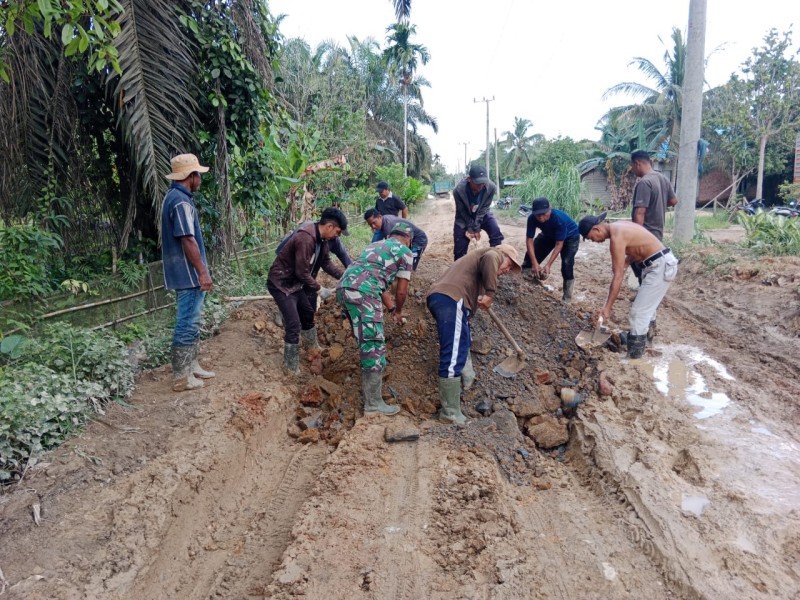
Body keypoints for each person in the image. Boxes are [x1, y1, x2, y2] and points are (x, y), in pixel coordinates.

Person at [426, 244, 522, 424]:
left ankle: (465, 378)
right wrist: (490, 293)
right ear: (503, 254)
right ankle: (450, 413)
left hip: (450, 300)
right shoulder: (493, 254)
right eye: (509, 265)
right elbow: (492, 258)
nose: (507, 270)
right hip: (451, 298)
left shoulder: (477, 265)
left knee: (462, 340)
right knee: (452, 353)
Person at [337, 222, 415, 416]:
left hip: (344, 287)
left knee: (366, 341)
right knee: (373, 345)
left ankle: (370, 395)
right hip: (364, 293)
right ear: (408, 239)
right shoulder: (405, 251)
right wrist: (398, 311)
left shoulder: (375, 245)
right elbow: (401, 290)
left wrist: (390, 308)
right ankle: (373, 404)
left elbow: (376, 280)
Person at [578, 213, 678, 358]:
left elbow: (618, 277)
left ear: (596, 229)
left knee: (638, 313)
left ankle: (634, 356)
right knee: (646, 309)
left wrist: (607, 308)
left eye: (590, 238)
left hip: (660, 266)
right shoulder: (619, 227)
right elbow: (638, 246)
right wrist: (625, 263)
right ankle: (647, 341)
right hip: (656, 263)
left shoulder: (616, 238)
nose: (593, 241)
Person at [267, 207, 348, 374]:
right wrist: (319, 289)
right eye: (338, 232)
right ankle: (290, 367)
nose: (337, 237)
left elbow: (326, 263)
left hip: (294, 283)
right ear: (329, 226)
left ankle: (312, 347)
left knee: (307, 311)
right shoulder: (306, 238)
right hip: (281, 283)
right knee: (293, 324)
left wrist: (344, 275)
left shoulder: (322, 240)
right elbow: (302, 272)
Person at [161, 153, 215, 392]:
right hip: (188, 274)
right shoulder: (181, 203)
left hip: (185, 272)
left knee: (192, 321)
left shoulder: (175, 198)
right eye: (198, 175)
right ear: (190, 176)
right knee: (186, 322)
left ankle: (192, 366)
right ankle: (181, 376)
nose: (200, 179)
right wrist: (202, 273)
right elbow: (188, 240)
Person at [629, 150, 679, 338]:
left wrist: (634, 239)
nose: (633, 170)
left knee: (646, 281)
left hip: (645, 240)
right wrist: (659, 203)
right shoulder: (662, 179)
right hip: (658, 237)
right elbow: (674, 201)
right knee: (647, 282)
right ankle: (650, 324)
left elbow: (640, 213)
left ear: (637, 163)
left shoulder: (644, 183)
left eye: (632, 167)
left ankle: (647, 327)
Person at [522, 197, 580, 302]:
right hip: (548, 234)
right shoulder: (531, 218)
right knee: (534, 251)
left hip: (570, 237)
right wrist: (535, 263)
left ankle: (567, 298)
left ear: (550, 209)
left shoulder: (559, 219)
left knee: (567, 264)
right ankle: (527, 275)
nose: (540, 217)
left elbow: (559, 244)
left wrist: (548, 265)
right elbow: (529, 240)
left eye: (544, 214)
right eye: (537, 215)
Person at [452, 163, 504, 260]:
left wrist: (476, 227)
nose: (481, 185)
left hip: (482, 214)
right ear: (469, 179)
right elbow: (462, 212)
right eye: (477, 183)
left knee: (495, 230)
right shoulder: (458, 191)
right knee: (459, 247)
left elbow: (484, 208)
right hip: (464, 217)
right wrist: (471, 229)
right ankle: (459, 268)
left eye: (483, 182)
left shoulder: (491, 187)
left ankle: (495, 261)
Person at [364, 208, 428, 270]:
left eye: (374, 223)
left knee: (409, 266)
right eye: (370, 225)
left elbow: (394, 248)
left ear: (380, 217)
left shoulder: (388, 226)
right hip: (407, 238)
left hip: (419, 240)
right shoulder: (384, 220)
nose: (373, 226)